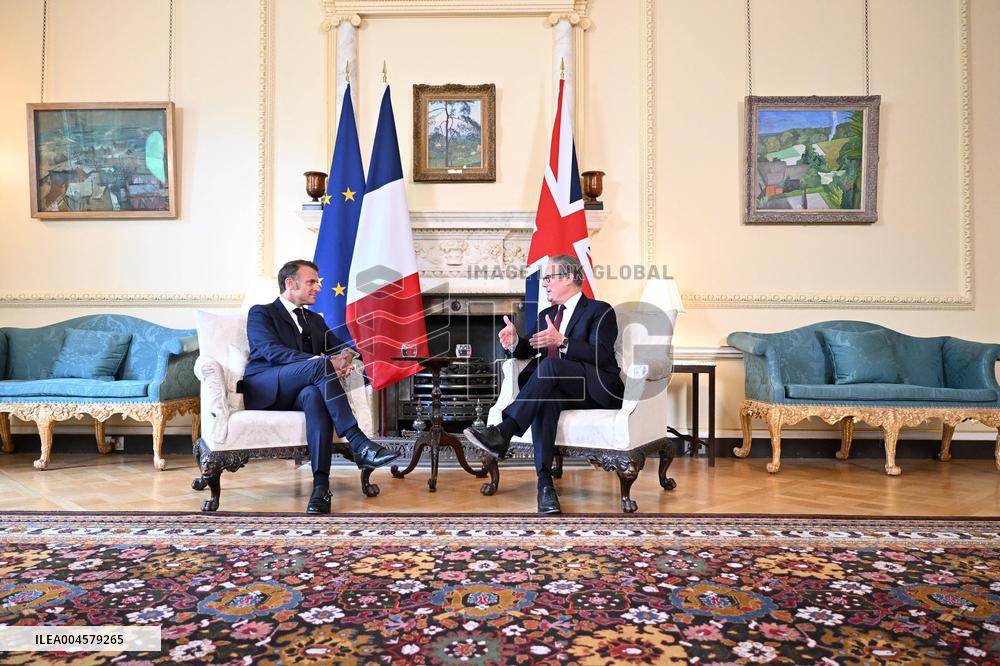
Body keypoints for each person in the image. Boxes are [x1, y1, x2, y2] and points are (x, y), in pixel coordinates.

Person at [464, 254, 623, 513]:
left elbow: (602, 354)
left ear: (570, 278)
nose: (545, 283)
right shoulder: (546, 314)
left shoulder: (600, 310)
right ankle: (545, 484)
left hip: (594, 387)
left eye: (549, 277)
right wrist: (515, 342)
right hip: (558, 389)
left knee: (549, 367)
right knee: (545, 401)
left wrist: (563, 341)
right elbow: (530, 348)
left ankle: (503, 432)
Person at [242, 259, 398, 514]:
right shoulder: (261, 312)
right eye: (311, 282)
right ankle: (359, 442)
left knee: (314, 395)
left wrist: (344, 357)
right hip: (265, 386)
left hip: (300, 391)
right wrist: (325, 362)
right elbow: (271, 352)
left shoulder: (314, 320)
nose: (317, 288)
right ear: (290, 283)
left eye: (317, 282)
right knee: (321, 366)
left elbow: (342, 347)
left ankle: (320, 488)